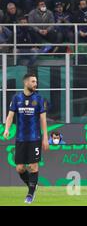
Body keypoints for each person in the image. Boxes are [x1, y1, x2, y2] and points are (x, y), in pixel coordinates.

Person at [3, 73, 49, 204]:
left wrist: (45, 137)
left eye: (36, 82)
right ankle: (33, 185)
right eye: (33, 81)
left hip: (35, 138)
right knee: (20, 168)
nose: (36, 84)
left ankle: (30, 194)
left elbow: (43, 120)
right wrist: (7, 129)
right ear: (26, 83)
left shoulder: (39, 98)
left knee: (34, 167)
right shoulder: (17, 98)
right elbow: (10, 116)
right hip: (21, 139)